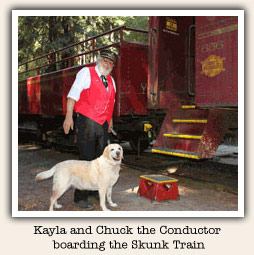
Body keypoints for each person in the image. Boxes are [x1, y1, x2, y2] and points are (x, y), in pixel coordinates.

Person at [63, 49, 117, 209]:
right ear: (99, 60)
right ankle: (80, 198)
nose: (108, 64)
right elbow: (72, 95)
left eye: (111, 63)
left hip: (103, 124)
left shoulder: (111, 80)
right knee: (86, 160)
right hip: (87, 121)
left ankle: (94, 192)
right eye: (105, 61)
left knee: (101, 161)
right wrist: (68, 116)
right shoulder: (86, 73)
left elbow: (111, 104)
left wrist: (110, 122)